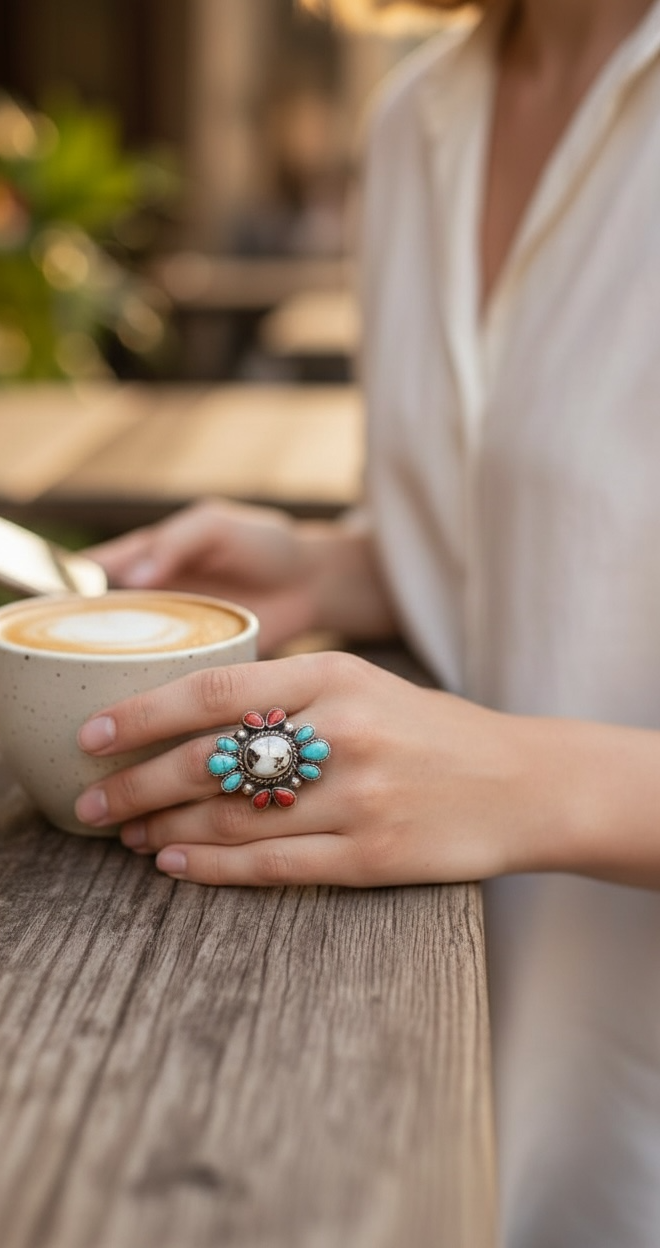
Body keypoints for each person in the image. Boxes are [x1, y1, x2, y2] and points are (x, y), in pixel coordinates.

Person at [75, 1, 660, 1244]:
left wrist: (526, 781)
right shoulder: (418, 114)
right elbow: (562, 536)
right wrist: (350, 566)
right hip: (435, 1067)